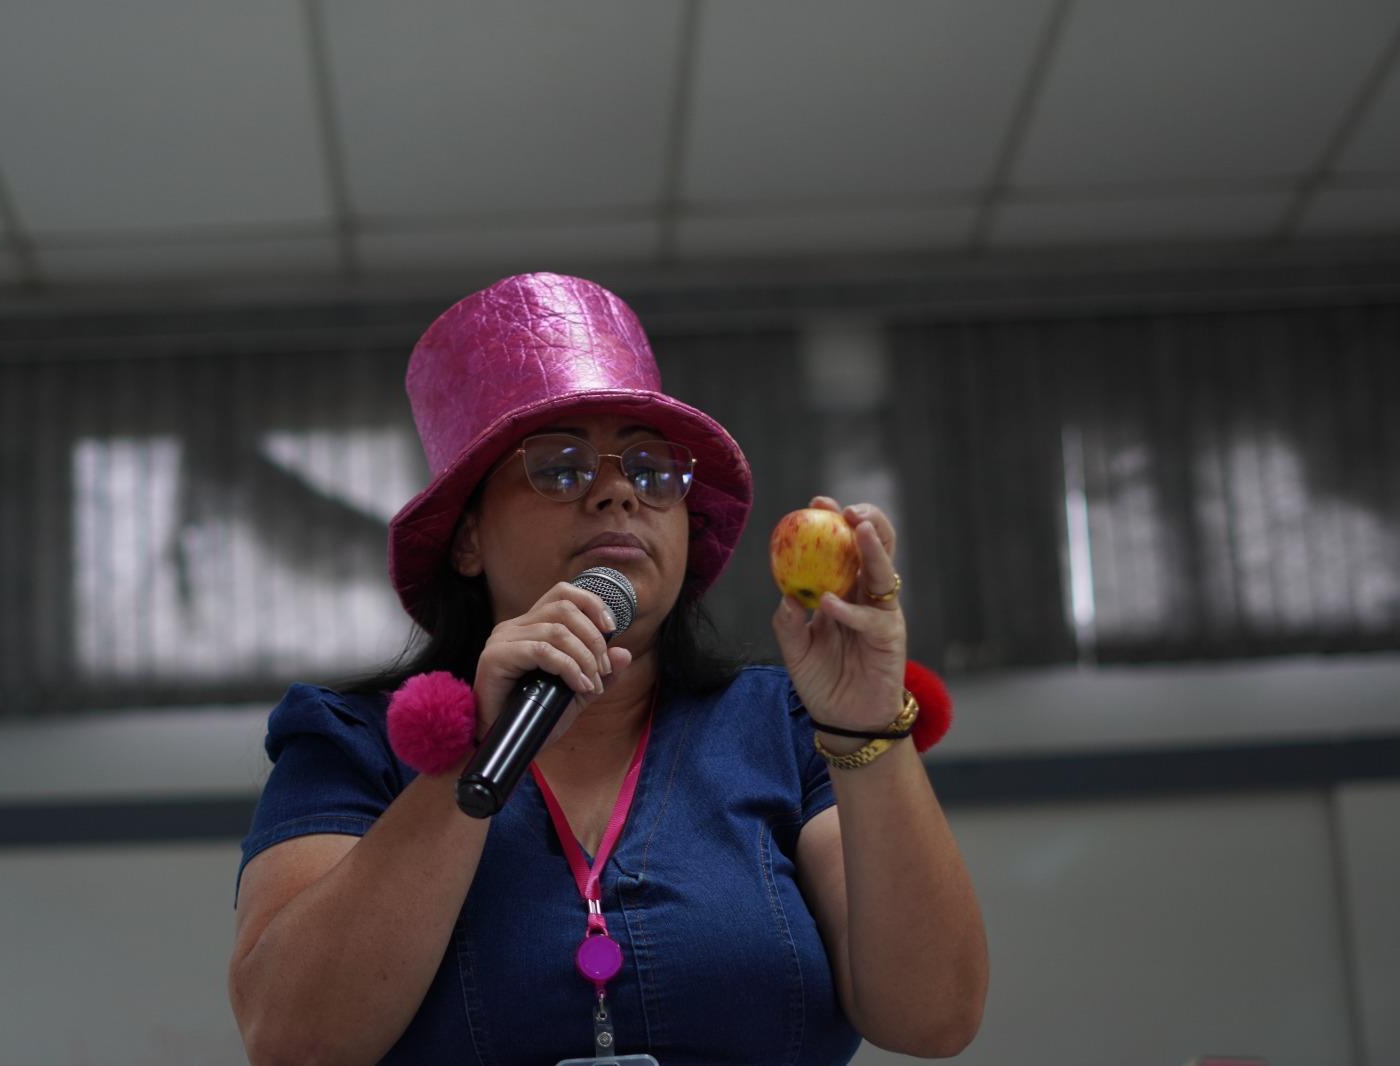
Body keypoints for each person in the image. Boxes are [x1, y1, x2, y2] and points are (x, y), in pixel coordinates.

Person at [228, 273, 987, 1065]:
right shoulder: (353, 739)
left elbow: (933, 1017)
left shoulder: (786, 722)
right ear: (468, 538)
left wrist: (865, 723)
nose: (618, 492)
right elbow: (293, 1040)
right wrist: (474, 753)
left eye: (651, 470)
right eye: (560, 468)